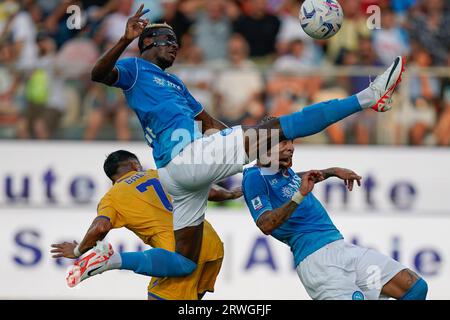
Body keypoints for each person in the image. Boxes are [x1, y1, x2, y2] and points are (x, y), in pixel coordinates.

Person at [90, 5, 405, 278]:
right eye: (169, 41)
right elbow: (99, 73)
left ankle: (114, 259)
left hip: (177, 176)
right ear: (147, 43)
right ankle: (368, 96)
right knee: (279, 126)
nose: (175, 47)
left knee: (184, 262)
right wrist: (124, 39)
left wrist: (251, 146)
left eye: (177, 42)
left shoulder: (175, 83)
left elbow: (210, 123)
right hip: (186, 158)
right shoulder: (135, 68)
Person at [241, 126, 428, 300]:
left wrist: (332, 171)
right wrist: (299, 195)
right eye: (284, 143)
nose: (291, 147)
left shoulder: (282, 171)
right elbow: (265, 224)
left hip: (341, 247)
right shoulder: (254, 177)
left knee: (415, 287)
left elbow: (301, 177)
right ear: (264, 146)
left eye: (292, 142)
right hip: (317, 262)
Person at [50, 150, 242, 300]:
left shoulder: (111, 197)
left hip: (176, 252)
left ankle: (112, 260)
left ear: (112, 178)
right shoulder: (158, 174)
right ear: (134, 164)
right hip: (210, 242)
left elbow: (100, 227)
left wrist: (77, 250)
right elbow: (209, 192)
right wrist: (232, 194)